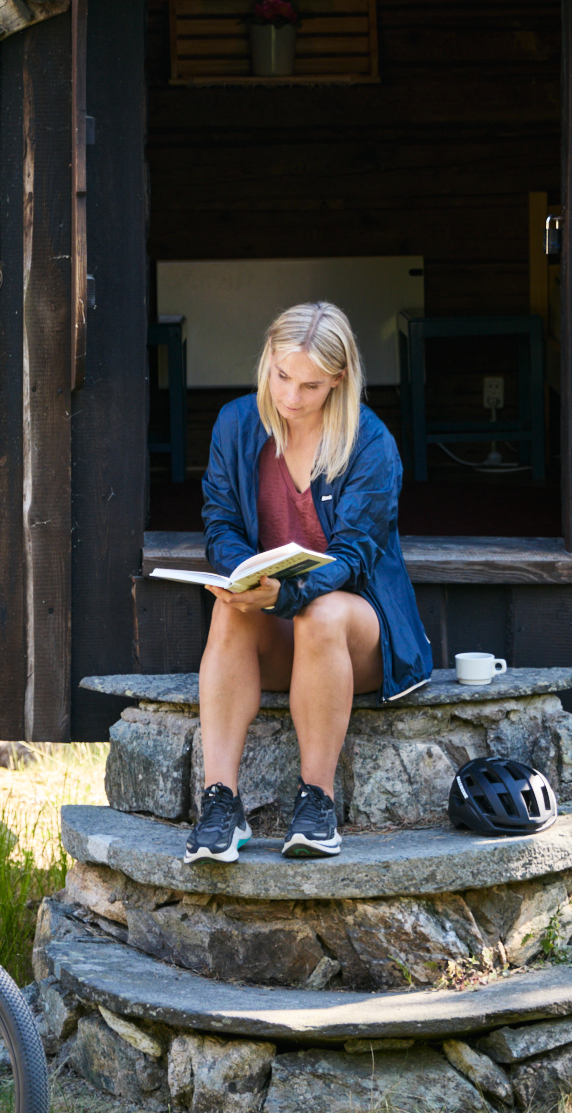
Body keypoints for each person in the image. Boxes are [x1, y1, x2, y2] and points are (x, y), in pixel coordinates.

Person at [186, 300, 435, 864]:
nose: (291, 397)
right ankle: (221, 804)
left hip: (356, 634)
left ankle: (316, 805)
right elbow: (220, 522)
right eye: (281, 376)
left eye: (311, 386)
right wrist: (247, 577)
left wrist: (291, 592)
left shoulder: (370, 443)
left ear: (339, 381)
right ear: (267, 360)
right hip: (278, 625)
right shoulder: (237, 424)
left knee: (320, 614)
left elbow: (354, 556)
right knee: (228, 610)